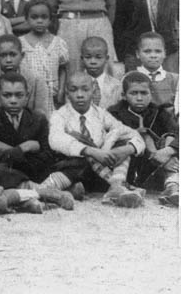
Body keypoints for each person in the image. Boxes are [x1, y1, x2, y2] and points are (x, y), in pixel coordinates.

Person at [0, 73, 77, 206]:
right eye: (7, 95)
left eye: (19, 95)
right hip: (11, 173)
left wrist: (8, 151)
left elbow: (47, 155)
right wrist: (24, 148)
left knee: (75, 162)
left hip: (36, 170)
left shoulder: (38, 119)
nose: (13, 100)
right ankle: (46, 191)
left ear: (27, 95)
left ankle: (33, 190)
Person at [48, 73, 146, 207]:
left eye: (85, 89)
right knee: (78, 147)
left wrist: (127, 149)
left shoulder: (101, 114)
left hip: (100, 171)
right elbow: (55, 138)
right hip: (74, 168)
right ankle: (116, 186)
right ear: (67, 92)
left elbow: (132, 134)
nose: (80, 95)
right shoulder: (60, 115)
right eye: (74, 89)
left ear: (93, 90)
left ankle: (116, 187)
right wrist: (91, 151)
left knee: (122, 142)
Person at [107, 71, 179, 205]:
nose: (139, 98)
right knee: (125, 141)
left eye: (144, 93)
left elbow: (176, 131)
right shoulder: (115, 113)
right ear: (123, 95)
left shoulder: (159, 112)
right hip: (126, 165)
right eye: (133, 93)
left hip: (152, 168)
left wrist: (167, 151)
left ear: (151, 94)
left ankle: (172, 187)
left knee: (170, 138)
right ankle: (118, 187)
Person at [0, 34, 49, 124]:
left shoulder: (36, 79)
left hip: (26, 135)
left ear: (22, 56)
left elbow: (42, 117)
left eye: (13, 55)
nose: (8, 60)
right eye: (3, 55)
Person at [20, 0, 69, 114]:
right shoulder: (21, 43)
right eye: (34, 17)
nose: (39, 21)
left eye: (44, 17)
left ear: (50, 19)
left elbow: (63, 69)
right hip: (29, 93)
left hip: (51, 94)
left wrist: (61, 90)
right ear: (26, 19)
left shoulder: (58, 43)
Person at [133, 32, 179, 111]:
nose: (153, 56)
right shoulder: (129, 78)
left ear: (165, 53)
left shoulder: (175, 80)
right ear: (138, 54)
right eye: (147, 51)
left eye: (158, 51)